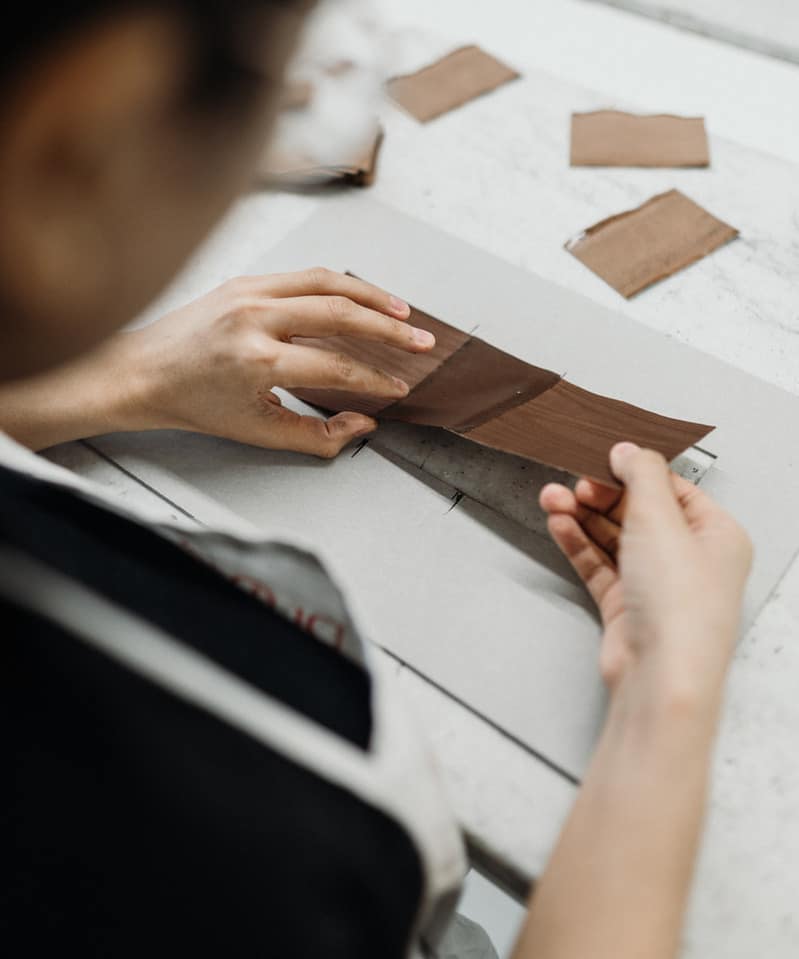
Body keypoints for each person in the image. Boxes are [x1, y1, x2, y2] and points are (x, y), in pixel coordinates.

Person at [0, 3, 752, 958]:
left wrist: (114, 374)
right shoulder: (237, 823)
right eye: (295, 68)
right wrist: (669, 690)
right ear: (85, 136)